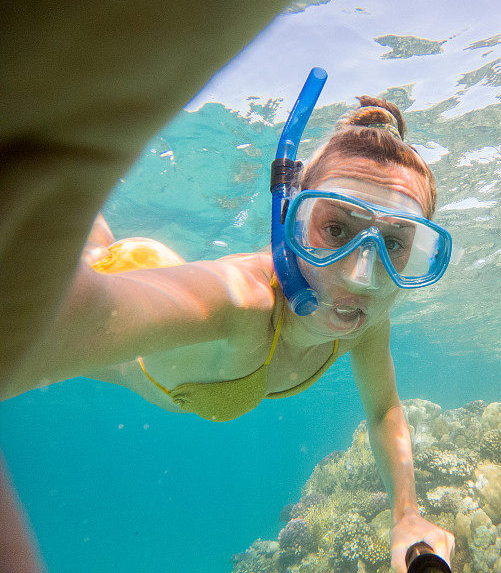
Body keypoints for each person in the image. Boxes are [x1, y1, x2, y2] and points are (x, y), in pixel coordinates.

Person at [4, 95, 456, 572]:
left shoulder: (363, 321)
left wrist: (406, 514)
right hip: (137, 273)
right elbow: (33, 335)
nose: (361, 276)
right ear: (289, 223)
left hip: (141, 270)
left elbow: (383, 408)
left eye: (394, 244)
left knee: (85, 238)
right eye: (337, 230)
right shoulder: (242, 303)